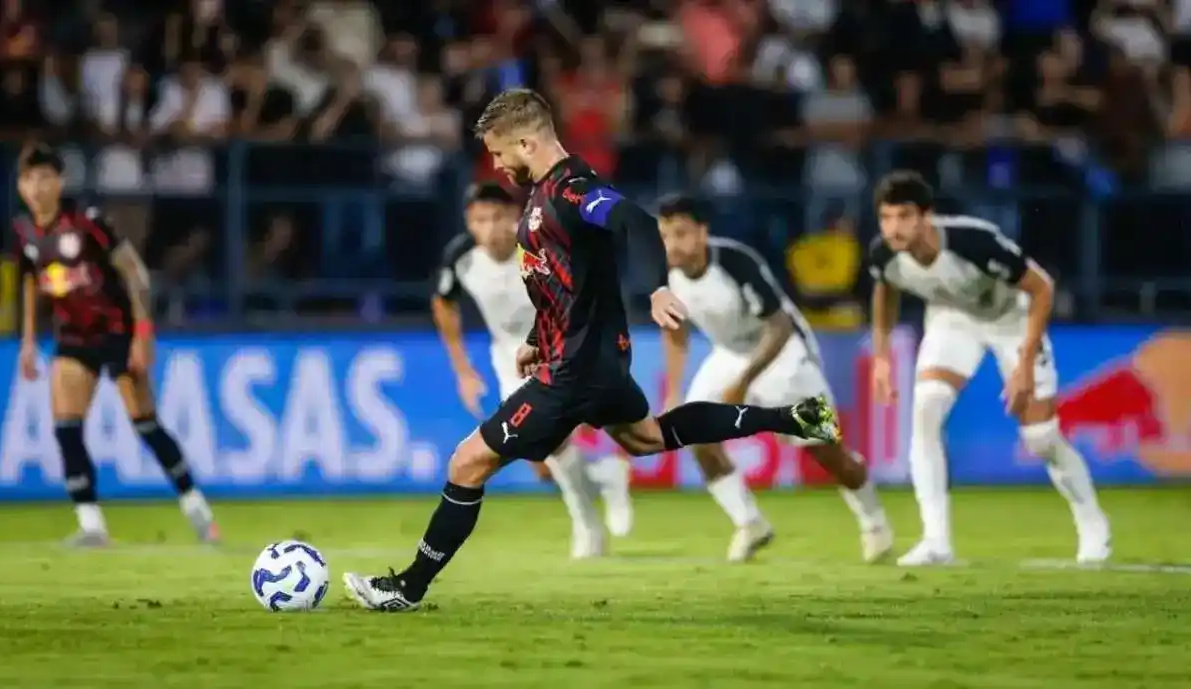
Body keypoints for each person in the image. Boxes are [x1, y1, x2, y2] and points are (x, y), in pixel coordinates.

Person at [343, 88, 839, 612]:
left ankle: (408, 588)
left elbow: (636, 222)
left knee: (467, 463)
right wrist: (537, 339)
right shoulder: (543, 196)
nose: (497, 165)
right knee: (648, 437)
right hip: (592, 359)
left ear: (527, 143)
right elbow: (566, 282)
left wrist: (657, 288)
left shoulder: (572, 190)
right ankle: (792, 417)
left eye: (499, 153)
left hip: (576, 368)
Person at [868, 170, 1110, 566]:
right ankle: (936, 542)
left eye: (904, 216)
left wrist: (1024, 365)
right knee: (926, 411)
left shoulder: (973, 241)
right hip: (953, 320)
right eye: (886, 217)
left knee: (1041, 438)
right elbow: (884, 290)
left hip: (1012, 319)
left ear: (926, 216)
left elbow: (1042, 287)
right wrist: (881, 357)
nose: (894, 227)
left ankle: (1093, 523)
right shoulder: (883, 253)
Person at [657, 194, 893, 563]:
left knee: (825, 450)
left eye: (681, 233)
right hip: (730, 354)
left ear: (702, 232)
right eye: (665, 235)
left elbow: (779, 325)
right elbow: (674, 332)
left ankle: (874, 523)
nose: (673, 244)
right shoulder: (666, 275)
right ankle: (750, 523)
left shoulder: (735, 262)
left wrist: (743, 382)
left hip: (783, 352)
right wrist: (673, 391)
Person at [12, 143, 218, 547]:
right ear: (20, 186)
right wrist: (28, 341)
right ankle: (92, 525)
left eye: (45, 178)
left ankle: (198, 510)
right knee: (66, 427)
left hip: (118, 332)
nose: (37, 187)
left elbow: (134, 271)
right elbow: (30, 281)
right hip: (73, 336)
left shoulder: (86, 222)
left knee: (145, 424)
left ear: (60, 182)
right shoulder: (24, 233)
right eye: (29, 179)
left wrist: (143, 332)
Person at [431, 181, 633, 558]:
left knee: (552, 442)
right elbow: (444, 304)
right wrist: (463, 370)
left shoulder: (541, 246)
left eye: (498, 217)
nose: (491, 228)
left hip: (561, 346)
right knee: (542, 461)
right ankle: (606, 475)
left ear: (515, 215)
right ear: (468, 223)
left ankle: (587, 526)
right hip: (510, 359)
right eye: (480, 220)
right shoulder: (460, 257)